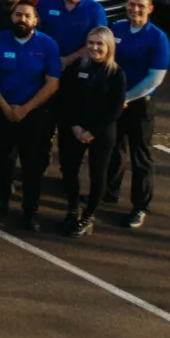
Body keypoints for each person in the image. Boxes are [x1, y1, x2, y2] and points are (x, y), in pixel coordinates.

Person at [0, 0, 64, 231]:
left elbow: (52, 83)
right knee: (4, 159)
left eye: (27, 16)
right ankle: (0, 202)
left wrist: (25, 108)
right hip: (3, 110)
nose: (22, 19)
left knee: (32, 166)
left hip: (34, 115)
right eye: (18, 15)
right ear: (12, 17)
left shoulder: (48, 45)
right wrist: (5, 107)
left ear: (35, 20)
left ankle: (30, 211)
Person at [106, 0, 170, 229]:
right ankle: (109, 193)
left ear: (150, 9)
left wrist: (127, 97)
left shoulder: (158, 38)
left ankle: (140, 206)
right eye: (131, 4)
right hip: (116, 103)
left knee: (140, 156)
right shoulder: (117, 29)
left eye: (140, 6)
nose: (135, 9)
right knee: (113, 148)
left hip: (140, 105)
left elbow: (155, 79)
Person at [56, 27, 128, 237]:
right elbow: (66, 98)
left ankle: (89, 215)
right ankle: (72, 208)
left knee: (98, 174)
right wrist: (75, 126)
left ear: (109, 47)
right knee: (69, 170)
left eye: (99, 44)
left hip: (101, 132)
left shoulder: (116, 74)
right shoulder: (77, 66)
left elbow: (115, 108)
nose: (94, 48)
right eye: (91, 43)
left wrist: (93, 131)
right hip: (74, 129)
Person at [35, 0, 107, 66]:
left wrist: (67, 60)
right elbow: (33, 34)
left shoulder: (95, 10)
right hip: (46, 63)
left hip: (81, 67)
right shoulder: (45, 4)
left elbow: (99, 44)